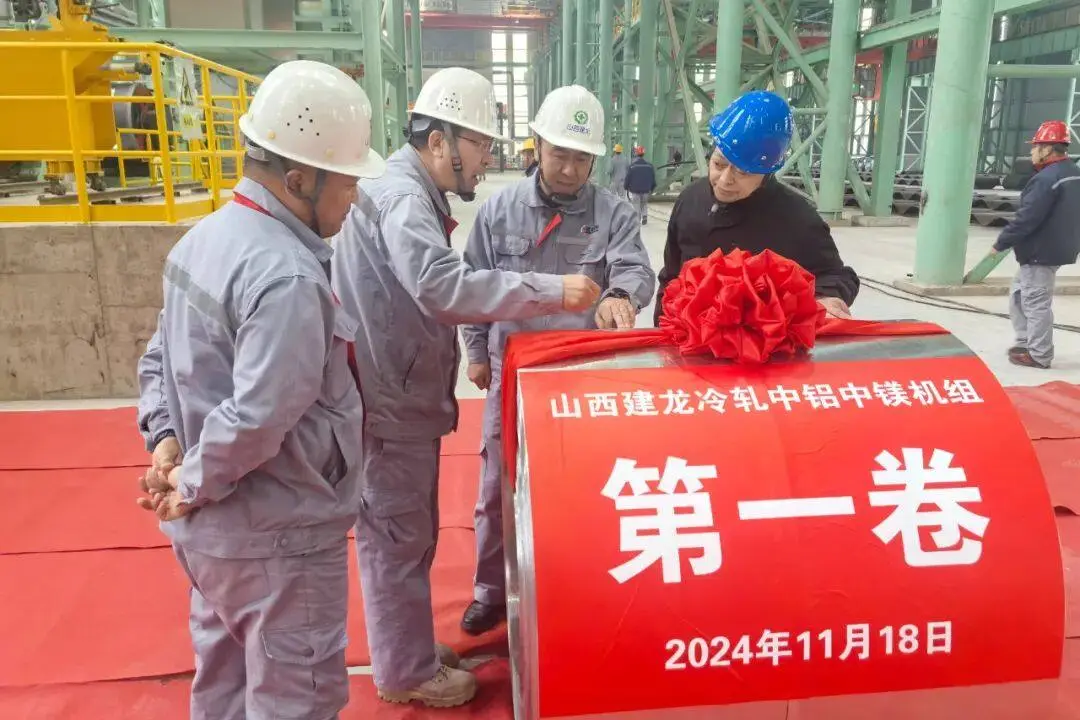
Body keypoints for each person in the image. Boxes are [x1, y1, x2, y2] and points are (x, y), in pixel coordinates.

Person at [330, 67, 602, 708]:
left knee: (406, 532)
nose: (486, 160)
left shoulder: (409, 192)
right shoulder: (404, 200)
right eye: (480, 145)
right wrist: (551, 290)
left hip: (396, 390)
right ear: (439, 140)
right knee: (397, 536)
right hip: (387, 401)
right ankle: (405, 671)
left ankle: (408, 648)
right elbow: (443, 286)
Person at [134, 60, 385, 720]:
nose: (354, 201)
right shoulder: (287, 276)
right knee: (295, 699)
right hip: (278, 539)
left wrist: (166, 442)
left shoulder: (202, 242)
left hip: (213, 539)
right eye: (348, 183)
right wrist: (188, 481)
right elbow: (258, 416)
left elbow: (158, 358)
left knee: (224, 688)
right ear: (299, 179)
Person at [459, 84, 656, 638]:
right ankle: (490, 590)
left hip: (580, 382)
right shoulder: (498, 211)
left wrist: (621, 295)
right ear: (537, 145)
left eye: (581, 158)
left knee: (582, 486)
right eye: (559, 154)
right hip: (512, 374)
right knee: (497, 486)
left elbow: (635, 269)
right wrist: (476, 351)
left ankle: (577, 585)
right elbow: (472, 284)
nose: (569, 169)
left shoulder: (614, 214)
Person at [655, 90, 858, 326]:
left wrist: (827, 298)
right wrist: (662, 329)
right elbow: (671, 276)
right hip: (691, 334)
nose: (724, 180)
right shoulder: (690, 201)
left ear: (766, 172)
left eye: (742, 173)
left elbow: (836, 275)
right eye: (718, 164)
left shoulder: (796, 219)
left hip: (760, 341)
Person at [992, 120, 1080, 369]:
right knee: (1019, 294)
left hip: (1041, 251)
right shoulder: (1073, 172)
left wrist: (1001, 242)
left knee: (1035, 302)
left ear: (1047, 149)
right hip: (1058, 246)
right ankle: (1025, 342)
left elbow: (1027, 218)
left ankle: (1039, 354)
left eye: (1035, 147)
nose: (1031, 151)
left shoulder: (1046, 179)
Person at [624, 145, 656, 224]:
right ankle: (644, 215)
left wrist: (626, 186)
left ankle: (637, 219)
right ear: (643, 154)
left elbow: (628, 178)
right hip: (646, 189)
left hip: (635, 190)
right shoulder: (649, 166)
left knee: (636, 204)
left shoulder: (632, 166)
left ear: (636, 153)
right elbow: (652, 178)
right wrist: (652, 187)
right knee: (644, 203)